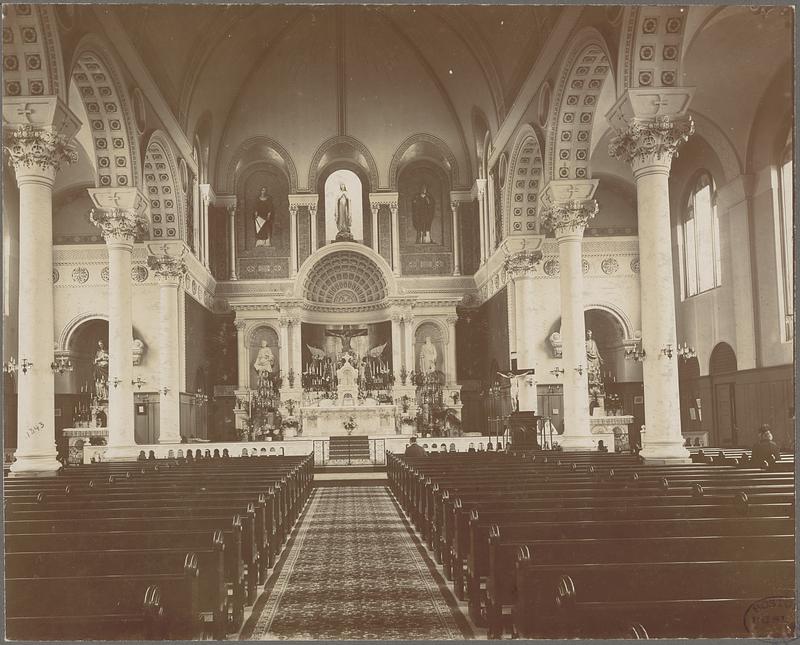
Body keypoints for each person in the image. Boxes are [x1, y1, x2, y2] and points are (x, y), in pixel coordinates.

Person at [585, 329, 604, 397]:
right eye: (588, 334)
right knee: (590, 372)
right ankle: (591, 382)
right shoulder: (585, 342)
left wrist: (600, 358)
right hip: (588, 357)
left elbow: (597, 351)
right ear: (586, 335)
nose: (589, 335)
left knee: (596, 371)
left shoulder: (594, 342)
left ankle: (596, 381)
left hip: (595, 357)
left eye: (590, 334)